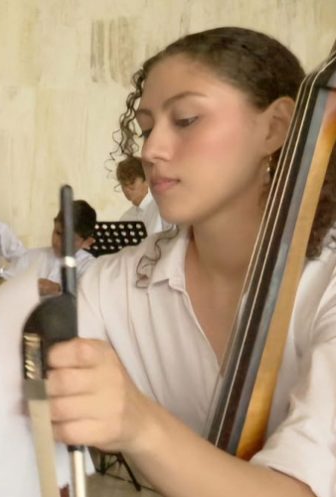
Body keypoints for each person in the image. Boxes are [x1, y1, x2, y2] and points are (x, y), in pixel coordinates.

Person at [47, 27, 335, 497]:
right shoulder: (114, 284)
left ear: (275, 127)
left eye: (185, 119)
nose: (150, 150)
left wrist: (139, 425)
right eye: (145, 128)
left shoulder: (329, 284)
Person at [4, 200, 97, 297]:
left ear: (87, 242)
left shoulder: (91, 267)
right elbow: (2, 286)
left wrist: (58, 289)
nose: (60, 243)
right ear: (54, 224)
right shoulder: (29, 257)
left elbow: (89, 297)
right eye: (58, 233)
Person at [116, 155, 171, 235]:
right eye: (123, 184)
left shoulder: (162, 208)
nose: (126, 189)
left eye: (131, 183)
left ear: (147, 181)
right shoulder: (126, 217)